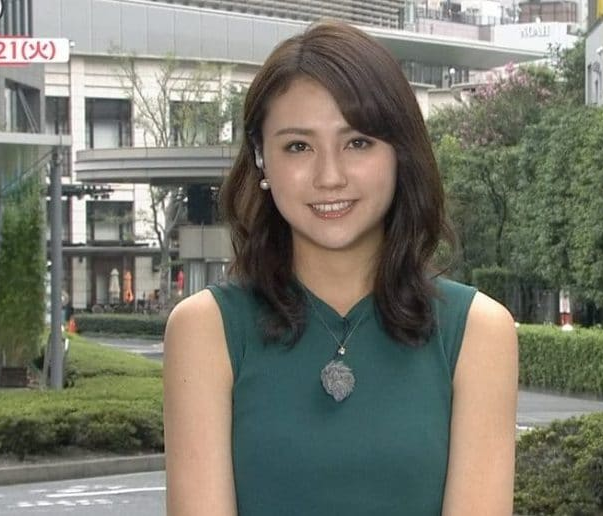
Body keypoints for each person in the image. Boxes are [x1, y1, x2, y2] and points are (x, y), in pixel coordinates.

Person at [163, 21, 518, 516]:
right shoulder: (206, 329)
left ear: (400, 153)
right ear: (262, 159)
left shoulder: (477, 330)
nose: (329, 176)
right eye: (298, 146)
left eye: (357, 143)